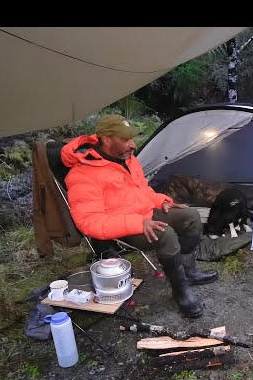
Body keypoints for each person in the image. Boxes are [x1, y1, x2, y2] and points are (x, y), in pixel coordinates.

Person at [60, 114, 218, 318]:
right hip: (122, 227)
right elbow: (89, 222)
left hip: (145, 214)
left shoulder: (128, 160)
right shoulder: (83, 174)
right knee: (166, 234)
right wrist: (137, 223)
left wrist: (162, 201)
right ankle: (181, 291)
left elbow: (142, 191)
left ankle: (190, 273)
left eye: (132, 139)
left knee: (191, 216)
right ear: (107, 139)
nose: (133, 145)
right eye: (125, 140)